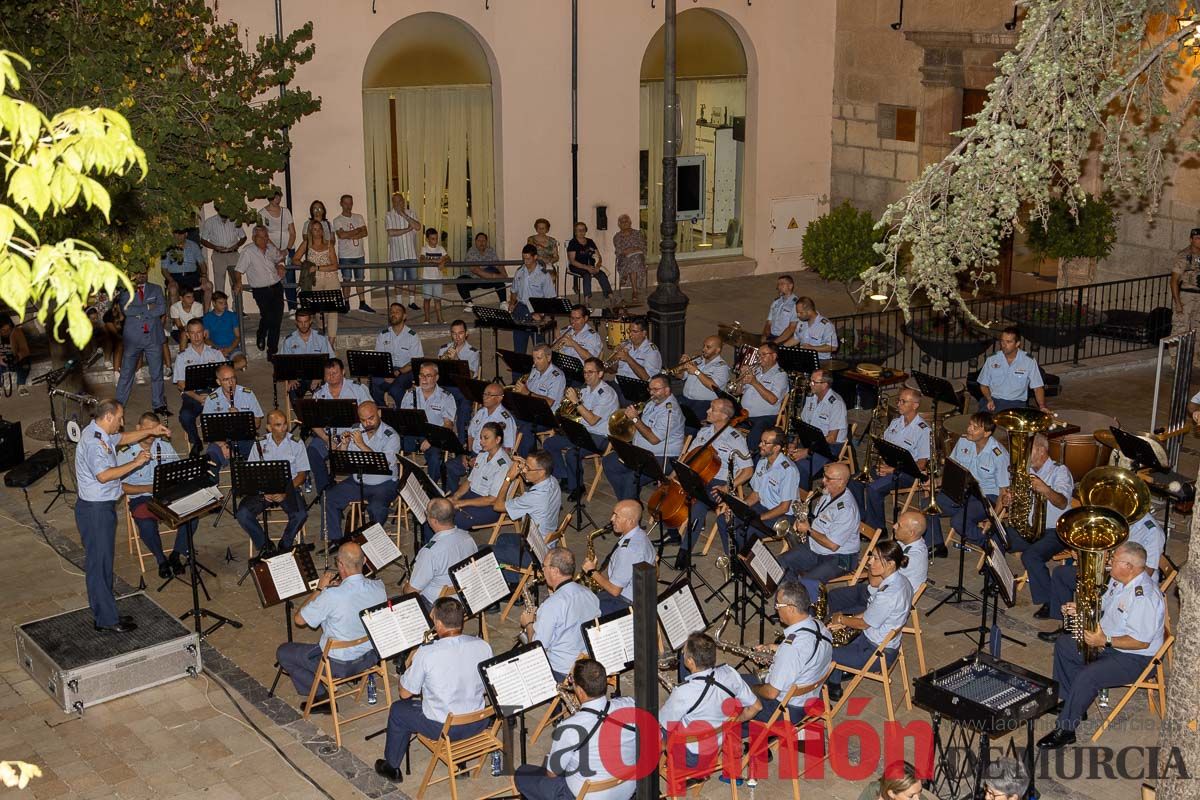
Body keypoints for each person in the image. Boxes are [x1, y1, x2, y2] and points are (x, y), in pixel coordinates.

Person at [1037, 541, 1165, 750]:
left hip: (1135, 657)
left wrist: (1103, 641)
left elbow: (1141, 641)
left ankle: (1066, 730)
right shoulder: (1118, 580)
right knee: (1064, 645)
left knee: (1088, 676)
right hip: (1110, 641)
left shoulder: (1144, 598)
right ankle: (1073, 702)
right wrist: (1079, 608)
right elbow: (1104, 603)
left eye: (1114, 560)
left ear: (1129, 567)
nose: (1109, 561)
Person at [75, 400, 170, 632]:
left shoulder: (99, 431)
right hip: (95, 511)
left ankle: (106, 612)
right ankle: (106, 620)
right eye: (120, 418)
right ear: (108, 417)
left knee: (105, 563)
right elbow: (104, 476)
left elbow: (122, 438)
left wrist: (150, 430)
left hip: (101, 507)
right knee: (99, 565)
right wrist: (135, 462)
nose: (122, 422)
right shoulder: (95, 444)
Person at [375, 597, 493, 782]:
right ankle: (459, 759)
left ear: (438, 623)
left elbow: (405, 693)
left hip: (444, 728)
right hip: (478, 722)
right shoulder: (482, 646)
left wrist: (410, 663)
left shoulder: (428, 653)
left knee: (398, 711)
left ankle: (391, 767)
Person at [275, 542, 386, 706]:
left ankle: (321, 697)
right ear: (363, 562)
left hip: (339, 665)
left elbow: (299, 620)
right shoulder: (379, 586)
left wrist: (319, 590)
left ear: (340, 564)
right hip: (369, 657)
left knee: (284, 652)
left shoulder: (331, 595)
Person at [513, 658, 637, 800]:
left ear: (579, 690)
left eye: (571, 680)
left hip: (583, 796)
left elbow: (552, 774)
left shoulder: (568, 728)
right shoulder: (630, 705)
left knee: (523, 773)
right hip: (627, 789)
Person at [1039, 504, 1165, 634]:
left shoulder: (1152, 532)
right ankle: (1068, 624)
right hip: (1110, 570)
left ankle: (1089, 625)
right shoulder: (1119, 520)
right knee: (1061, 573)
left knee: (1089, 587)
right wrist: (1083, 554)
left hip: (1123, 580)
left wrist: (1106, 568)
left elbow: (1146, 572)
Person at [825, 540, 914, 703]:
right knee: (833, 637)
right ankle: (833, 683)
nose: (870, 561)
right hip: (880, 642)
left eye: (875, 558)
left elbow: (864, 623)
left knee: (822, 651)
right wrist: (844, 621)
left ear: (890, 564)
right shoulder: (902, 581)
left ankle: (818, 697)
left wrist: (841, 618)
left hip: (876, 653)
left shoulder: (888, 594)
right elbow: (871, 614)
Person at [661, 632, 760, 771]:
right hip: (715, 748)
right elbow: (756, 706)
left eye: (684, 653)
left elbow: (662, 724)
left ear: (690, 661)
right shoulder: (730, 673)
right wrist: (734, 722)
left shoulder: (683, 692)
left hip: (690, 757)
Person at [675, 398, 753, 569]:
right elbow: (690, 457)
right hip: (699, 477)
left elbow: (748, 471)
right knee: (676, 498)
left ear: (724, 415)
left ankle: (685, 551)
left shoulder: (735, 438)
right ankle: (673, 532)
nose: (708, 411)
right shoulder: (704, 432)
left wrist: (728, 487)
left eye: (713, 409)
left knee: (698, 505)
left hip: (720, 482)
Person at [118, 412, 193, 580]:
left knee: (193, 514)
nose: (151, 434)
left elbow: (177, 469)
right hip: (142, 496)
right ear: (138, 429)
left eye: (154, 430)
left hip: (167, 495)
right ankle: (161, 560)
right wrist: (147, 488)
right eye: (147, 430)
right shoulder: (125, 451)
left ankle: (176, 554)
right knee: (146, 526)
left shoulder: (163, 445)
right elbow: (121, 486)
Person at [747, 581, 832, 724]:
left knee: (728, 689)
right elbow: (806, 653)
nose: (775, 609)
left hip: (786, 710)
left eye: (778, 605)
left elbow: (771, 693)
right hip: (809, 699)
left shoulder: (791, 648)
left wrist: (749, 689)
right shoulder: (820, 626)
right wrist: (775, 648)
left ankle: (739, 736)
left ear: (791, 609)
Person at [1007, 434, 1074, 616]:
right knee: (998, 537)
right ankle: (1000, 580)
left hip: (1056, 531)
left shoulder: (1060, 471)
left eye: (1027, 450)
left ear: (1041, 450)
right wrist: (1010, 500)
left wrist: (1045, 489)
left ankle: (1048, 602)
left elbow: (1061, 502)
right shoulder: (1026, 470)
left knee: (1031, 557)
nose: (1023, 454)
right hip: (1030, 528)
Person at [925, 412, 1011, 554]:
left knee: (959, 522)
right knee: (928, 505)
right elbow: (952, 469)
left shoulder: (999, 456)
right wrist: (938, 482)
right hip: (963, 491)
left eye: (975, 427)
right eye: (970, 425)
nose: (969, 429)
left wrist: (993, 519)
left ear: (987, 433)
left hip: (987, 497)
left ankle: (989, 544)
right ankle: (937, 545)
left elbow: (1003, 492)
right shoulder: (963, 441)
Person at [851, 387, 930, 532]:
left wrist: (892, 469)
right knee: (854, 481)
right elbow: (884, 447)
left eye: (903, 401)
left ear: (915, 405)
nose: (898, 404)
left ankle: (877, 529)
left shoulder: (923, 430)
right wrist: (882, 465)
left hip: (908, 473)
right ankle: (863, 518)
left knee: (874, 489)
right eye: (898, 400)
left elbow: (921, 464)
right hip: (888, 467)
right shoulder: (896, 422)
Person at [324, 401, 401, 545]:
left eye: (371, 418)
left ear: (379, 414)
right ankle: (336, 540)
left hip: (383, 483)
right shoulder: (355, 429)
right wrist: (345, 445)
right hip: (357, 480)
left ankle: (372, 544)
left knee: (376, 508)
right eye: (363, 420)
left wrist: (361, 444)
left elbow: (381, 463)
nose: (367, 423)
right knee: (331, 497)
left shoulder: (391, 436)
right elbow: (342, 462)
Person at [235, 410, 311, 557]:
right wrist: (263, 491)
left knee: (301, 514)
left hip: (289, 487)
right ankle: (265, 544)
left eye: (284, 424)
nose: (283, 428)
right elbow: (251, 472)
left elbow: (302, 475)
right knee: (242, 514)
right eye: (278, 425)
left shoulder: (296, 443)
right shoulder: (259, 443)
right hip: (263, 489)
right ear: (269, 427)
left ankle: (285, 544)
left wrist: (285, 491)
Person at [542, 358, 619, 500]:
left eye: (591, 372)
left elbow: (592, 420)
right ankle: (564, 476)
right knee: (549, 443)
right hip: (582, 432)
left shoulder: (607, 394)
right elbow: (575, 414)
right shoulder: (585, 389)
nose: (586, 375)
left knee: (573, 454)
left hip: (601, 437)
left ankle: (578, 487)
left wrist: (576, 402)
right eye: (584, 372)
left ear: (601, 374)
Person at [519, 548, 599, 681]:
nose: (542, 570)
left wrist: (528, 623)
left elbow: (538, 648)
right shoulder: (590, 594)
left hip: (562, 672)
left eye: (544, 566)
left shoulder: (551, 606)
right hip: (587, 664)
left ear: (555, 571)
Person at [828, 511, 928, 615]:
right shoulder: (907, 541)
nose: (894, 526)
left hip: (884, 603)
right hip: (874, 591)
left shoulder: (911, 558)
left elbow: (874, 581)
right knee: (833, 595)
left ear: (911, 533)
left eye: (899, 525)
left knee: (839, 616)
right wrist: (876, 562)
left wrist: (872, 563)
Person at [602, 374, 684, 500]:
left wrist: (635, 418)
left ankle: (629, 509)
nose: (651, 393)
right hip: (641, 452)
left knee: (632, 478)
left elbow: (653, 439)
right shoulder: (653, 402)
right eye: (650, 389)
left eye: (656, 389)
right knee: (609, 461)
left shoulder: (671, 412)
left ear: (667, 390)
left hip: (662, 457)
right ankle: (626, 503)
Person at [778, 462, 861, 584]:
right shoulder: (829, 493)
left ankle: (799, 596)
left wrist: (808, 530)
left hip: (842, 557)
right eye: (824, 476)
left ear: (841, 482)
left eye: (828, 478)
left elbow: (833, 545)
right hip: (817, 546)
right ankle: (791, 594)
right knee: (781, 562)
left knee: (808, 581)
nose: (823, 480)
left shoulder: (846, 510)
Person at [717, 426, 797, 553]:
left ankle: (742, 564)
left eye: (765, 443)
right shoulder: (762, 462)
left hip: (781, 516)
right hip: (762, 506)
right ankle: (734, 561)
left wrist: (758, 518)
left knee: (745, 530)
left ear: (776, 448)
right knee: (723, 519)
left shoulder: (788, 470)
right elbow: (756, 495)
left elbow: (784, 507)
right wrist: (739, 508)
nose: (760, 445)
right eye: (761, 441)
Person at [492, 450, 563, 581]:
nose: (523, 470)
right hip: (548, 541)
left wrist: (508, 478)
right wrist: (526, 463)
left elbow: (497, 506)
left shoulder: (535, 497)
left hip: (536, 552)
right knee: (503, 539)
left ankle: (515, 591)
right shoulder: (552, 481)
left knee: (486, 551)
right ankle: (512, 579)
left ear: (541, 472)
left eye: (527, 468)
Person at [307, 358, 371, 492]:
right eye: (328, 374)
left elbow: (371, 414)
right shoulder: (319, 394)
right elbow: (313, 421)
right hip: (328, 436)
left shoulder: (358, 389)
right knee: (312, 451)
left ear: (343, 372)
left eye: (334, 373)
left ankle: (361, 488)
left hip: (354, 436)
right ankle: (325, 490)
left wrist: (349, 438)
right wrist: (326, 439)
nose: (331, 377)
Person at [582, 499, 656, 615]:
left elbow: (615, 591)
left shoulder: (628, 551)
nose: (612, 519)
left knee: (581, 609)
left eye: (617, 516)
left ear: (630, 521)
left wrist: (592, 571)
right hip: (640, 594)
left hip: (623, 602)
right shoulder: (641, 535)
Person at [438, 421, 511, 536]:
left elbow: (492, 499)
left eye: (486, 438)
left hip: (489, 507)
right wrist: (455, 497)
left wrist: (461, 503)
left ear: (497, 440)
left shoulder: (503, 465)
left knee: (450, 520)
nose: (481, 442)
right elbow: (469, 481)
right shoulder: (482, 455)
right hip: (472, 496)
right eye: (481, 437)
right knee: (440, 509)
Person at [402, 498, 478, 606]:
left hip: (440, 605)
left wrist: (405, 587)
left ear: (434, 521)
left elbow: (412, 591)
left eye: (427, 514)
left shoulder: (430, 552)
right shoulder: (468, 538)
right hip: (466, 597)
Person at [113, 271, 169, 415]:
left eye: (144, 273)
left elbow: (162, 308)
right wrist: (149, 307)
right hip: (133, 337)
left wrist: (140, 312)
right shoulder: (126, 290)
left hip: (153, 336)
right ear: (133, 275)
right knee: (126, 372)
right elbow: (127, 310)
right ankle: (119, 404)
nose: (141, 276)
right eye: (138, 274)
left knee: (157, 373)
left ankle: (159, 404)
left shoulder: (156, 289)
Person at [446, 382, 518, 489]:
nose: (485, 397)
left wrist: (483, 459)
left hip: (490, 458)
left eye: (489, 395)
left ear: (499, 399)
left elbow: (507, 449)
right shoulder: (481, 412)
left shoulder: (505, 419)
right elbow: (471, 435)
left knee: (474, 484)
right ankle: (453, 496)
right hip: (475, 453)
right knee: (449, 466)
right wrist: (468, 454)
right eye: (484, 394)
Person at [173, 319, 227, 455]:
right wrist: (198, 397)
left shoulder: (216, 353)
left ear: (205, 333)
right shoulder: (182, 357)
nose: (196, 337)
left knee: (225, 412)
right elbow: (181, 384)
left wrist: (211, 396)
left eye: (199, 332)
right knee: (185, 416)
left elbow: (226, 377)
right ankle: (196, 442)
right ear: (187, 335)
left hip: (214, 393)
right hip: (193, 395)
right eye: (193, 333)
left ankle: (219, 445)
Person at [400, 361, 458, 488]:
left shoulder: (446, 397)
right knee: (393, 447)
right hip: (414, 433)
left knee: (435, 457)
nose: (424, 379)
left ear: (436, 377)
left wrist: (432, 440)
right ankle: (402, 485)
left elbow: (448, 425)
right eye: (421, 375)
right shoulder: (410, 394)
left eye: (428, 376)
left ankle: (430, 488)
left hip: (435, 435)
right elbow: (403, 419)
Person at [232, 225, 286, 356]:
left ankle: (272, 350)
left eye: (265, 236)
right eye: (260, 237)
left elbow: (280, 258)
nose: (263, 239)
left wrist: (280, 266)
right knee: (268, 316)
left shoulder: (271, 248)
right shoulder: (248, 251)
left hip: (276, 286)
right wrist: (238, 282)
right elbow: (238, 270)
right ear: (253, 238)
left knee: (277, 319)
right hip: (261, 290)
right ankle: (261, 333)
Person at [791, 369, 847, 490]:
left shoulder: (836, 404)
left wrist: (807, 451)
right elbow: (803, 426)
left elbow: (832, 439)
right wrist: (794, 443)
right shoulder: (811, 397)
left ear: (825, 385)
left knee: (802, 467)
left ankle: (802, 501)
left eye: (814, 382)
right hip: (810, 441)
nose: (810, 384)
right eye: (810, 381)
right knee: (785, 459)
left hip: (828, 448)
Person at [202, 364, 265, 465]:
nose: (231, 383)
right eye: (226, 380)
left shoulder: (248, 394)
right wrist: (222, 445)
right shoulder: (211, 399)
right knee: (211, 458)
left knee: (261, 455)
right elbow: (208, 430)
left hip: (245, 437)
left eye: (233, 378)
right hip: (222, 440)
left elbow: (257, 423)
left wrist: (240, 417)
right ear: (218, 382)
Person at [977, 327, 1048, 412]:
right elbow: (983, 385)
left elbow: (1037, 387)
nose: (1004, 345)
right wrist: (989, 399)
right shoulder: (992, 359)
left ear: (1017, 343)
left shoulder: (1028, 361)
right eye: (1002, 341)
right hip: (994, 401)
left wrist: (1042, 406)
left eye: (1008, 342)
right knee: (980, 422)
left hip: (1016, 403)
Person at [293, 219, 342, 342]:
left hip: (331, 278)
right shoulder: (306, 243)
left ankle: (331, 343)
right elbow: (295, 259)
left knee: (332, 309)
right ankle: (320, 326)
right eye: (314, 229)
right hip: (314, 280)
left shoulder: (329, 244)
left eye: (319, 229)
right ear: (311, 231)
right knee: (316, 309)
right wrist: (305, 265)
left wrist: (318, 267)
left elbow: (335, 265)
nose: (317, 231)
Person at [514, 344, 566, 456]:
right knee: (506, 416)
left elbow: (549, 402)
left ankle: (526, 460)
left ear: (548, 357)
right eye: (534, 358)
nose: (535, 362)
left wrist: (527, 393)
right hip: (530, 411)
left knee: (526, 427)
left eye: (539, 358)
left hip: (547, 416)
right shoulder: (535, 369)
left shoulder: (557, 376)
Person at [371, 303, 423, 409]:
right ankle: (382, 409)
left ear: (404, 316)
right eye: (391, 312)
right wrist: (386, 373)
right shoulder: (383, 334)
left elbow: (415, 361)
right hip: (388, 370)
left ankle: (402, 412)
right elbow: (378, 359)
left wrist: (397, 373)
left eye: (397, 312)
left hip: (406, 371)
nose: (393, 314)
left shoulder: (412, 336)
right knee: (374, 382)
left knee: (396, 387)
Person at [738, 343, 789, 451]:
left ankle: (751, 459)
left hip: (766, 417)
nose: (759, 358)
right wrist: (741, 379)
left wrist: (754, 382)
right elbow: (737, 392)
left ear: (774, 356)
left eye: (763, 355)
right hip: (745, 415)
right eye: (758, 355)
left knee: (755, 433)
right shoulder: (755, 370)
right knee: (725, 425)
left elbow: (772, 399)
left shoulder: (780, 375)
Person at [676, 336, 732, 432]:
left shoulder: (722, 367)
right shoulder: (698, 360)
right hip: (685, 399)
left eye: (708, 347)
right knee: (669, 415)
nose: (703, 349)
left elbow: (713, 386)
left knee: (690, 427)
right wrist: (681, 366)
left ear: (717, 350)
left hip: (704, 403)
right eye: (704, 346)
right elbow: (680, 376)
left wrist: (697, 372)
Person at [509, 243, 556, 354]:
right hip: (520, 309)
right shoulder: (519, 271)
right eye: (524, 258)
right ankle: (519, 371)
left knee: (540, 349)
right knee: (518, 349)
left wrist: (541, 315)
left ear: (535, 257)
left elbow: (550, 299)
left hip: (536, 310)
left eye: (528, 259)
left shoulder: (544, 275)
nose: (526, 261)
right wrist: (512, 303)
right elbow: (514, 290)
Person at [437, 319, 481, 435]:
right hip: (446, 386)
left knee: (465, 406)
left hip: (464, 388)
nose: (457, 337)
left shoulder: (473, 352)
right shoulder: (443, 349)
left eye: (460, 333)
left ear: (466, 334)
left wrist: (456, 359)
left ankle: (462, 441)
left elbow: (471, 375)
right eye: (454, 333)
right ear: (450, 334)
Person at [332, 194, 373, 313]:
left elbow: (365, 232)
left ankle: (362, 303)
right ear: (341, 204)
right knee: (346, 280)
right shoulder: (337, 220)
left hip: (359, 254)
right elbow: (341, 235)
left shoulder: (358, 217)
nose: (348, 206)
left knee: (360, 279)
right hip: (345, 255)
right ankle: (346, 304)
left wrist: (349, 234)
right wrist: (356, 231)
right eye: (346, 203)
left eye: (350, 203)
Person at [259, 188, 298, 311]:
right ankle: (277, 307)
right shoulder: (262, 213)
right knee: (274, 278)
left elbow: (292, 232)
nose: (278, 199)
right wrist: (276, 250)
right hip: (271, 250)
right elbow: (263, 235)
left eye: (279, 197)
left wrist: (287, 249)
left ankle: (292, 307)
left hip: (288, 248)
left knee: (290, 277)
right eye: (276, 197)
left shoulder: (285, 212)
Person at [385, 192, 421, 309]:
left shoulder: (411, 213)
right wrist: (407, 229)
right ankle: (399, 303)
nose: (398, 203)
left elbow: (418, 227)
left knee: (413, 280)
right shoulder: (389, 215)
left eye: (400, 201)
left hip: (411, 254)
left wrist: (404, 215)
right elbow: (391, 232)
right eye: (395, 201)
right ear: (392, 203)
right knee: (398, 281)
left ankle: (411, 302)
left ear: (403, 201)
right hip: (397, 255)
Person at [199, 209, 246, 297]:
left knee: (237, 282)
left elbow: (243, 237)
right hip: (218, 255)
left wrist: (237, 245)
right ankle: (221, 309)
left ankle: (238, 309)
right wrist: (214, 247)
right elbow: (203, 240)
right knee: (219, 284)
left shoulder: (235, 220)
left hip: (233, 254)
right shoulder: (210, 222)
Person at [611, 318, 662, 392]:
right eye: (629, 331)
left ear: (644, 333)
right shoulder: (625, 345)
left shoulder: (652, 351)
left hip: (636, 389)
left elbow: (647, 378)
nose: (630, 334)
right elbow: (612, 370)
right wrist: (615, 357)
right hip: (618, 384)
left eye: (634, 331)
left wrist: (628, 359)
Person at [1170, 228, 1200, 354]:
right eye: (1197, 238)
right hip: (1186, 296)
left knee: (1197, 330)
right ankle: (1174, 359)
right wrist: (1177, 303)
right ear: (1191, 239)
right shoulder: (1183, 256)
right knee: (1180, 328)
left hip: (1199, 298)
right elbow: (1173, 281)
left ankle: (1194, 358)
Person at [566, 221, 611, 303]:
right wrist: (586, 267)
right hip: (577, 266)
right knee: (587, 274)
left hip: (591, 266)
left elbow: (599, 256)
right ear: (575, 232)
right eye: (578, 230)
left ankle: (609, 295)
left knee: (601, 274)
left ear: (586, 231)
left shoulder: (590, 241)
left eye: (583, 230)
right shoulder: (573, 243)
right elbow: (572, 261)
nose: (581, 232)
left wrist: (598, 266)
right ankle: (587, 300)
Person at [459, 231, 507, 306]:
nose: (481, 243)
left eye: (483, 241)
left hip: (486, 279)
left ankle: (504, 303)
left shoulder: (490, 250)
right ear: (475, 242)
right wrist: (494, 276)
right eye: (479, 241)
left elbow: (498, 265)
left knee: (500, 281)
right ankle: (470, 304)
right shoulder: (472, 251)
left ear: (486, 242)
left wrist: (504, 275)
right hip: (474, 279)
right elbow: (476, 270)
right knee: (460, 280)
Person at [160, 228, 209, 300]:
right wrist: (171, 280)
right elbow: (164, 269)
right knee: (173, 289)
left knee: (208, 286)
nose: (178, 236)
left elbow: (202, 263)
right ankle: (175, 311)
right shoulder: (168, 247)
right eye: (176, 233)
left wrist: (204, 276)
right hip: (175, 277)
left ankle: (206, 311)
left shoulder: (193, 245)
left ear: (186, 234)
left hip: (192, 276)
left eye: (181, 234)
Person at [612, 213, 647, 301]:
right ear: (619, 224)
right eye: (622, 222)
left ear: (630, 222)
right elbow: (620, 251)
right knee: (633, 259)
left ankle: (626, 276)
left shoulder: (637, 233)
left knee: (636, 258)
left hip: (638, 258)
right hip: (624, 260)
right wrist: (633, 249)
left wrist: (631, 250)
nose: (624, 224)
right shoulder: (617, 236)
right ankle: (634, 291)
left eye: (626, 221)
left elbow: (643, 246)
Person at [418, 227, 449, 323]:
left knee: (437, 299)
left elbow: (448, 257)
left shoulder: (441, 248)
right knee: (427, 299)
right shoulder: (424, 248)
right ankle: (427, 318)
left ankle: (440, 318)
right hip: (427, 278)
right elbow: (422, 260)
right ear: (427, 239)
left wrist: (443, 261)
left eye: (436, 238)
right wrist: (435, 260)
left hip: (438, 278)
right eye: (432, 239)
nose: (435, 241)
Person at [794, 297, 839, 361]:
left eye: (801, 313)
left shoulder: (826, 325)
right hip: (803, 358)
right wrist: (781, 347)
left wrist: (812, 348)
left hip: (820, 360)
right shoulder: (801, 322)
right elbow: (796, 338)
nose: (798, 315)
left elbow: (833, 347)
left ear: (809, 311)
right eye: (797, 312)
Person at [855, 761, 924, 800]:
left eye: (919, 792)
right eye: (911, 796)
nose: (917, 799)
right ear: (892, 793)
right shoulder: (873, 791)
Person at [203, 291, 242, 358]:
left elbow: (238, 337)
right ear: (214, 303)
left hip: (232, 348)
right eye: (221, 303)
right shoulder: (207, 318)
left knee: (242, 362)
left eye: (225, 303)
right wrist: (218, 349)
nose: (224, 305)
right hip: (215, 349)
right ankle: (227, 365)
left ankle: (227, 365)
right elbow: (206, 339)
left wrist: (229, 349)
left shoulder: (232, 316)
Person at [763, 274, 800, 345]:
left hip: (786, 338)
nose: (779, 287)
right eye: (778, 285)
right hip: (772, 337)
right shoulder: (776, 302)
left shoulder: (796, 304)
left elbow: (792, 328)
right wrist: (765, 337)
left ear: (790, 286)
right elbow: (768, 322)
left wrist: (774, 343)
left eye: (782, 284)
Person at [0, 316, 31, 396]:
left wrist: (16, 357)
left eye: (8, 329)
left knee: (26, 363)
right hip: (1, 362)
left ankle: (21, 385)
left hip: (14, 360)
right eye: (3, 330)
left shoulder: (16, 332)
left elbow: (25, 350)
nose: (6, 332)